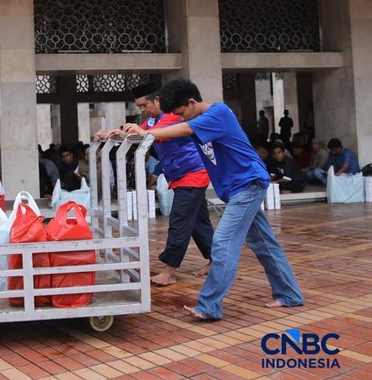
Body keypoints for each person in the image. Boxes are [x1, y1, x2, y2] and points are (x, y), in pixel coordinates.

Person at [123, 79, 303, 320]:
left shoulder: (218, 113)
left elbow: (183, 130)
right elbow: (170, 135)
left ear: (191, 102)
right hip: (241, 188)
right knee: (264, 244)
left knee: (223, 243)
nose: (181, 118)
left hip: (248, 185)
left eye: (182, 113)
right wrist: (127, 133)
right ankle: (289, 294)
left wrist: (146, 132)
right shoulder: (195, 124)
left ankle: (209, 306)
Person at [95, 82, 213, 286]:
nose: (142, 110)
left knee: (180, 220)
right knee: (197, 221)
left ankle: (169, 270)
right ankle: (216, 260)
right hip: (179, 176)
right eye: (139, 107)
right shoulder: (151, 120)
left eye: (144, 106)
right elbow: (136, 133)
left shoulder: (172, 116)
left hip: (194, 174)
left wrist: (132, 132)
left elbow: (146, 135)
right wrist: (112, 133)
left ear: (157, 100)